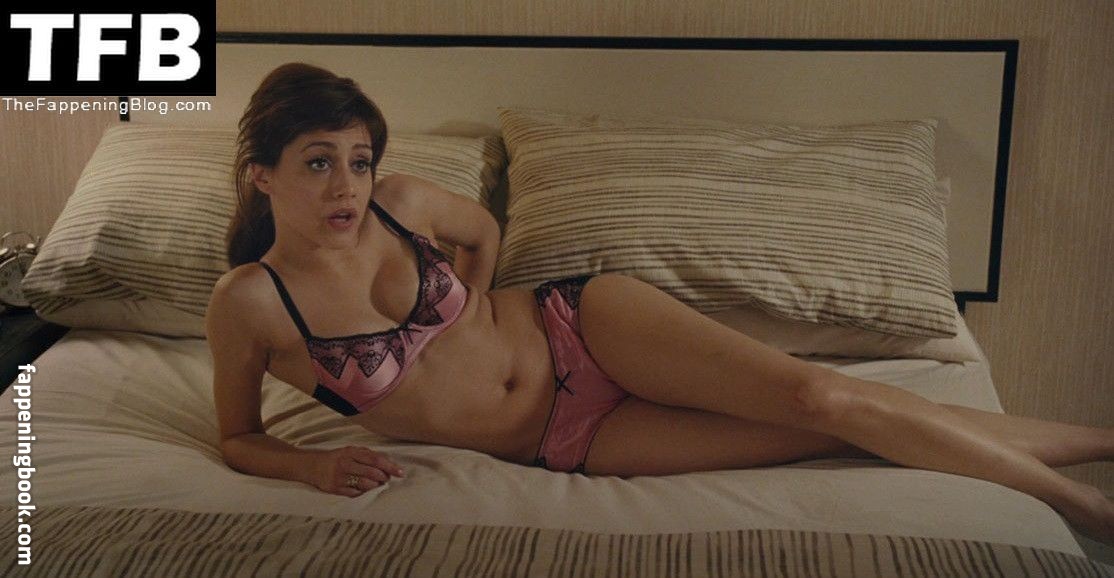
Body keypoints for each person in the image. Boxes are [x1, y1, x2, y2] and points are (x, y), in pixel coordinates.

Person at [205, 62, 1113, 545]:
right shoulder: (250, 304)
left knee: (819, 396)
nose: (346, 185)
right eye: (318, 162)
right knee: (837, 433)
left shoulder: (401, 205)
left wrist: (473, 306)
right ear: (262, 174)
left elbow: (480, 231)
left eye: (358, 160)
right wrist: (312, 468)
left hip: (584, 326)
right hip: (567, 441)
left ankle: (1081, 504)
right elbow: (239, 437)